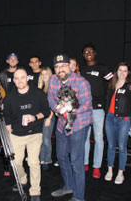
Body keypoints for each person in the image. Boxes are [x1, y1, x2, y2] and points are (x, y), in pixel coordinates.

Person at [48, 54, 92, 201]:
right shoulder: (53, 80)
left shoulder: (81, 82)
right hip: (62, 124)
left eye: (63, 66)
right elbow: (51, 99)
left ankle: (79, 197)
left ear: (70, 66)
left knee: (76, 161)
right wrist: (56, 109)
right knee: (61, 156)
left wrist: (69, 109)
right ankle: (69, 186)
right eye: (57, 66)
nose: (60, 69)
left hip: (78, 124)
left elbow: (87, 105)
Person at [3, 68, 50, 201]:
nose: (20, 81)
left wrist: (34, 117)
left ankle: (35, 191)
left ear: (27, 78)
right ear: (13, 80)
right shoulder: (10, 97)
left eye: (22, 77)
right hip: (17, 134)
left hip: (34, 133)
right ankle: (22, 179)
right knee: (16, 163)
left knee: (34, 162)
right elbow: (6, 115)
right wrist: (8, 128)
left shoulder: (38, 94)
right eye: (16, 78)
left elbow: (46, 111)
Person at [80, 44, 113, 178]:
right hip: (83, 109)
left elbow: (114, 81)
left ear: (95, 53)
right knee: (84, 138)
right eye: (85, 52)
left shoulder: (102, 68)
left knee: (98, 138)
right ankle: (85, 163)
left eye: (90, 51)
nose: (88, 53)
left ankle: (97, 167)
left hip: (98, 109)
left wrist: (130, 85)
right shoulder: (81, 70)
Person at [104, 62, 131, 185]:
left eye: (125, 71)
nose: (122, 73)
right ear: (116, 72)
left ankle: (120, 173)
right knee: (111, 146)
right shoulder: (111, 85)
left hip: (124, 121)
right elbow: (108, 103)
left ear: (128, 73)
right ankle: (110, 170)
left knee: (122, 147)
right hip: (109, 119)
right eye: (120, 70)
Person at [37, 67, 56, 170]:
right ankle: (42, 159)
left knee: (46, 140)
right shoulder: (40, 88)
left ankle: (47, 159)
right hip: (40, 116)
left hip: (48, 116)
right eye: (42, 74)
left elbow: (54, 104)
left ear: (50, 75)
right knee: (41, 139)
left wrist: (49, 117)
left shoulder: (52, 87)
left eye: (46, 74)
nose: (44, 76)